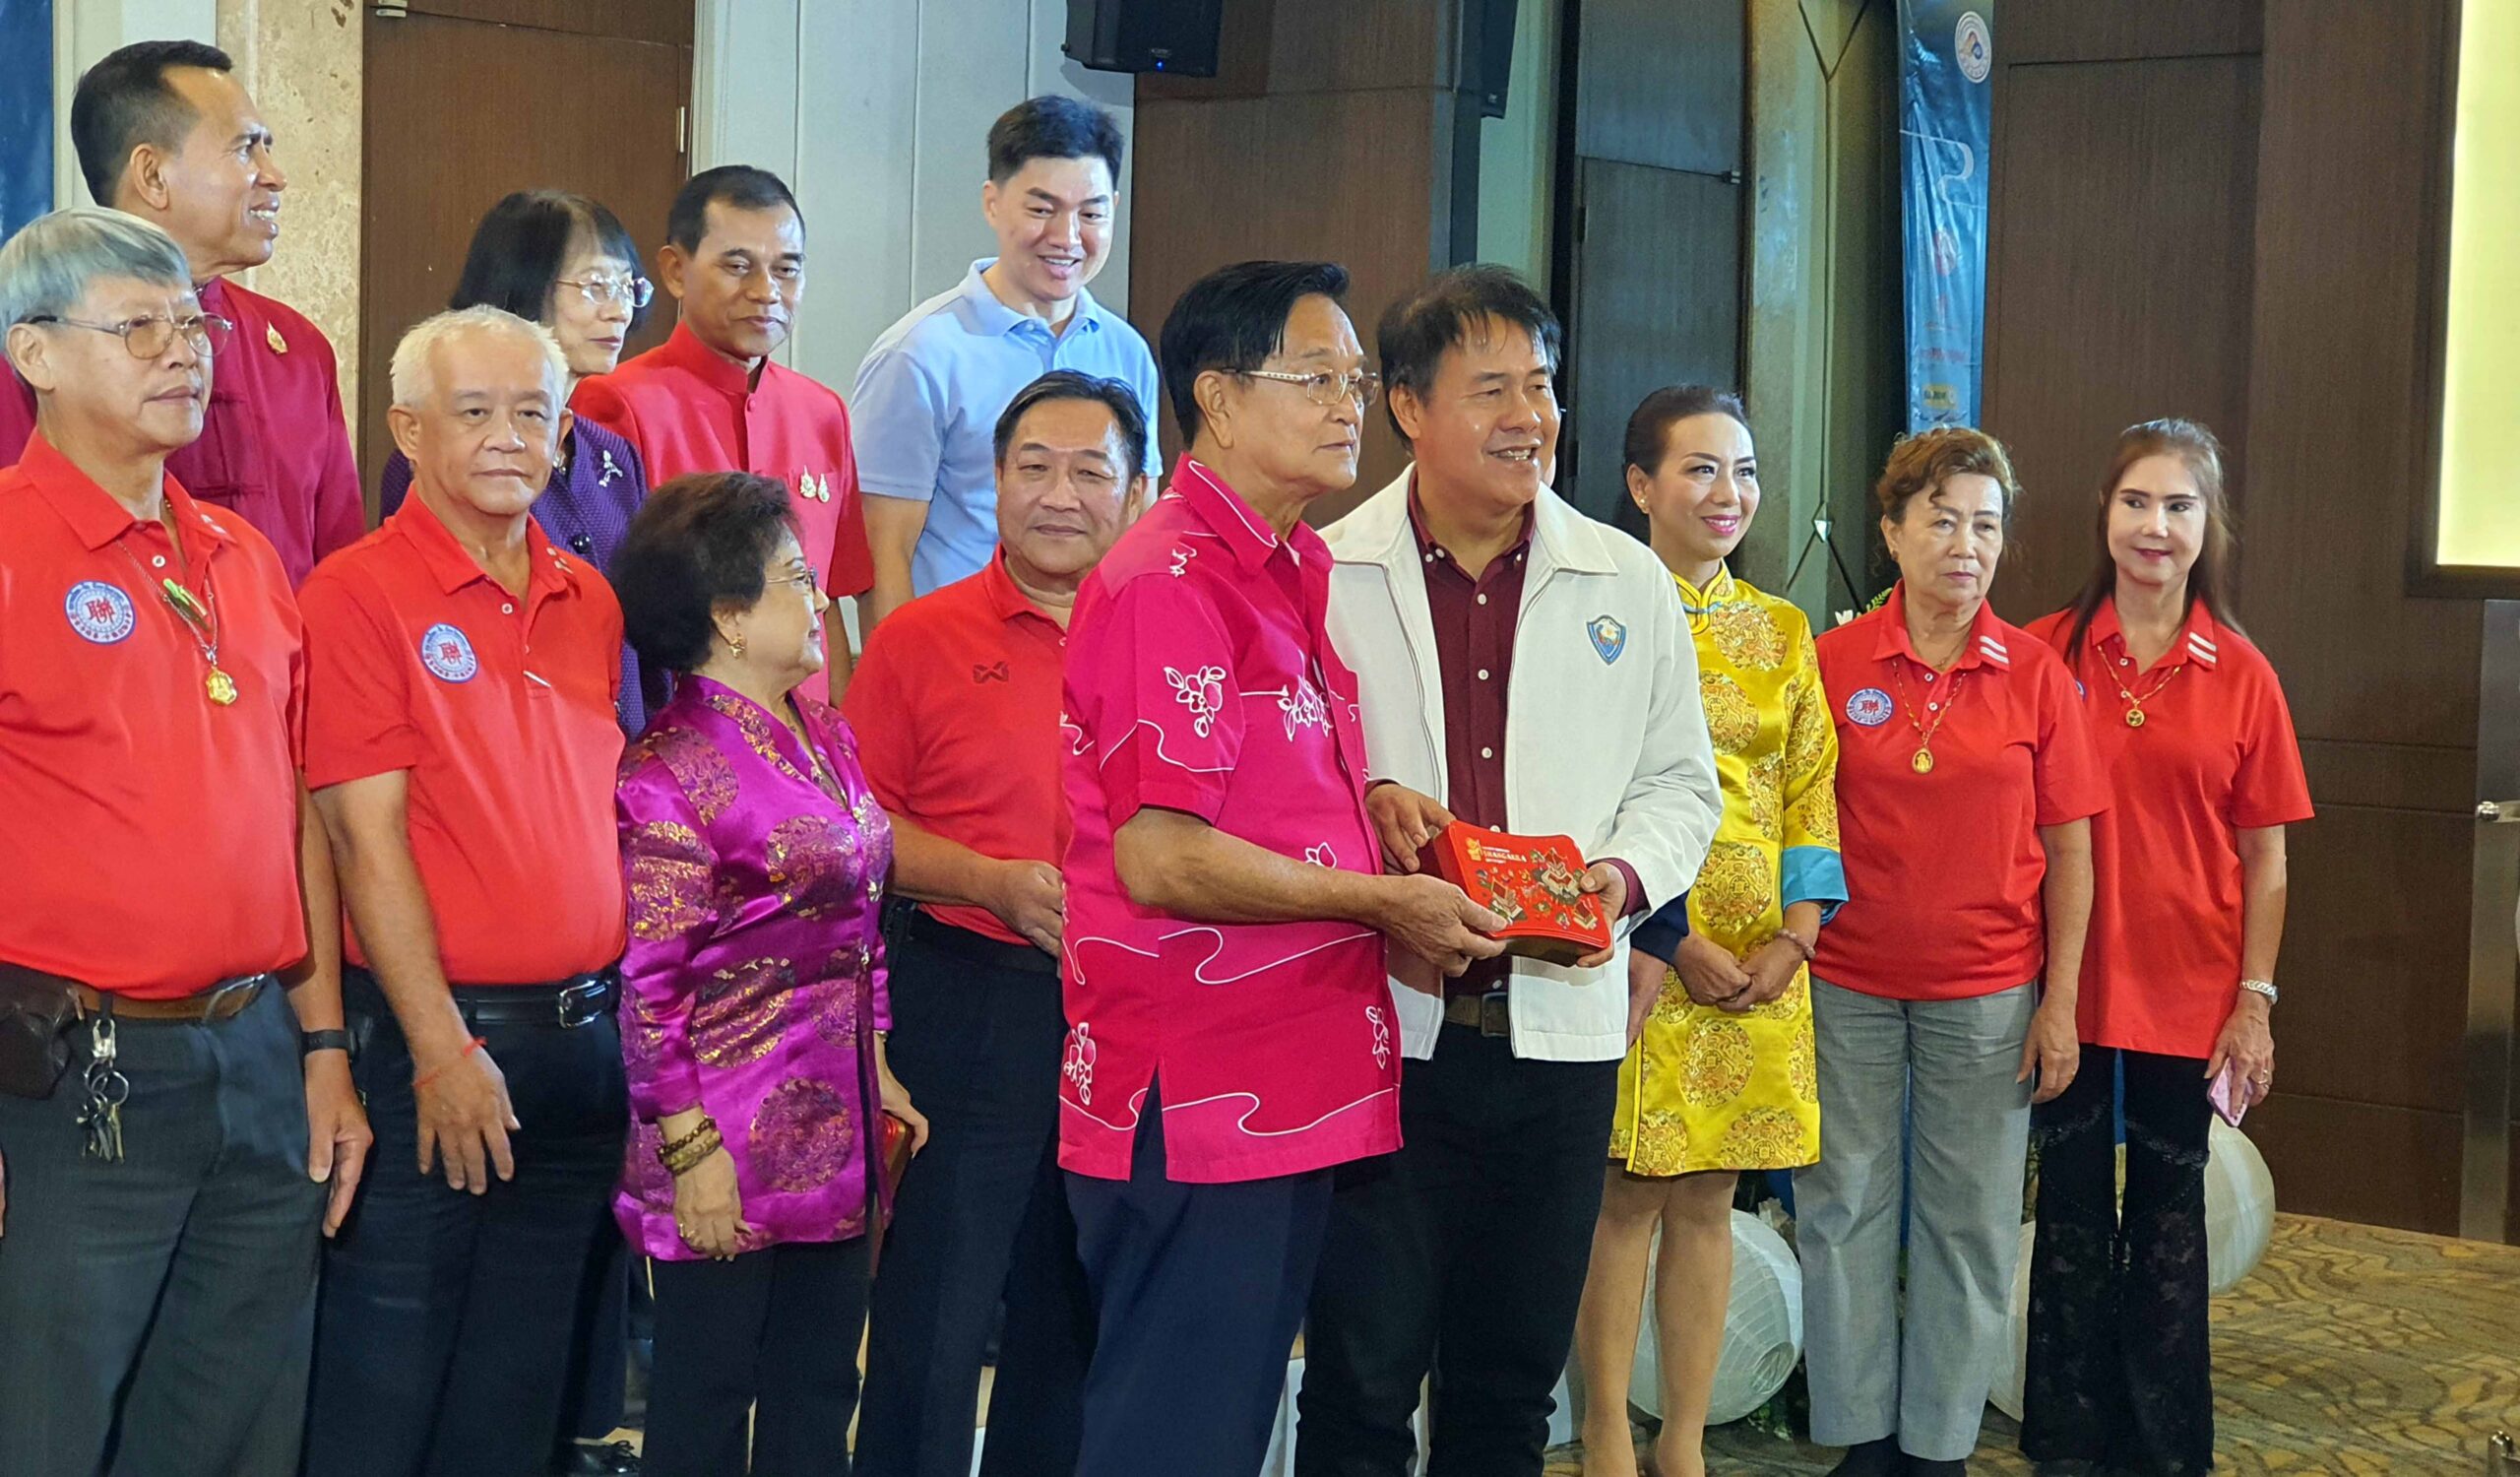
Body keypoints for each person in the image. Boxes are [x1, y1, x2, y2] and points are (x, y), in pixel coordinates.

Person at [1057, 260, 1507, 1477]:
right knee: (1174, 1434)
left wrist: (1374, 806)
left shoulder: (1290, 566)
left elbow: (1252, 772)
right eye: (1315, 377)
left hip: (1289, 1074)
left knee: (1223, 1417)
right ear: (1215, 395)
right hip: (1198, 1086)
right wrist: (1380, 900)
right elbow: (1158, 854)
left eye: (1353, 379)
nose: (1347, 402)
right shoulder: (1171, 581)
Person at [1296, 270, 1725, 1477]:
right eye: (1489, 389)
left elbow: (1682, 785)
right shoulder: (1325, 574)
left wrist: (1624, 877)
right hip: (1385, 1040)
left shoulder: (1625, 580)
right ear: (1407, 408)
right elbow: (1275, 788)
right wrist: (1364, 807)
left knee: (1506, 1392)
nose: (1526, 415)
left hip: (1559, 1045)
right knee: (1364, 1380)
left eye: (1539, 386)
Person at [0, 204, 367, 1477]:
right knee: (44, 1423)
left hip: (260, 1053)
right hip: (69, 1072)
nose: (184, 352)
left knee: (235, 1423)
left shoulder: (244, 557)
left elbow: (292, 820)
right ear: (34, 355)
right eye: (138, 327)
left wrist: (323, 1042)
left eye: (192, 323)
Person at [300, 308, 631, 1477]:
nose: (508, 438)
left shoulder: (589, 596)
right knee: (387, 1388)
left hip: (586, 1045)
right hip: (437, 1048)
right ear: (406, 429)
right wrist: (440, 1048)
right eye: (474, 411)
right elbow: (362, 840)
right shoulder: (355, 593)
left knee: (520, 1393)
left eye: (533, 412)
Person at [847, 370, 1152, 1477]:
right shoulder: (920, 639)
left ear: (1139, 489)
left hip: (1127, 1014)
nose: (1058, 495)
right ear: (993, 482)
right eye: (1033, 468)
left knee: (1071, 1314)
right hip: (967, 1003)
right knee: (933, 1313)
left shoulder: (1171, 642)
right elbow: (852, 829)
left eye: (1088, 470)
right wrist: (987, 879)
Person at [606, 470, 925, 1477]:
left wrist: (876, 1064)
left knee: (820, 1389)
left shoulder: (821, 729)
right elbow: (648, 987)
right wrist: (691, 1150)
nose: (821, 594)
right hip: (723, 1138)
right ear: (730, 618)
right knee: (704, 1404)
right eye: (796, 576)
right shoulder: (665, 769)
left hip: (837, 1127)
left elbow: (863, 913)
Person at [1799, 426, 2105, 1477]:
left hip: (1988, 994)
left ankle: (1936, 1446)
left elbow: (2072, 853)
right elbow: (1798, 823)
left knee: (1967, 1226)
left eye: (1985, 524)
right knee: (1842, 1211)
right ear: (1890, 530)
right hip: (1847, 986)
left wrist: (2058, 1003)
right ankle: (1858, 1437)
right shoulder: (1832, 662)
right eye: (1940, 520)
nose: (1964, 545)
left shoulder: (2036, 676)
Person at [2018, 419, 2309, 1477]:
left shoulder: (2242, 673)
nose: (2154, 526)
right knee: (2070, 1229)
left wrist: (2255, 998)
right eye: (2135, 502)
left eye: (2177, 507)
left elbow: (2265, 864)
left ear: (2207, 527)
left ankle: (2159, 1452)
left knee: (2169, 1233)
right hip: (2064, 992)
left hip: (2190, 996)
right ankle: (2067, 1445)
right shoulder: (2041, 652)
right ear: (2103, 517)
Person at [1569, 386, 1846, 1477]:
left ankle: (1682, 1441)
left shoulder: (1780, 630)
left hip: (1763, 971)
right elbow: (1594, 792)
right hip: (1643, 952)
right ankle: (1602, 1431)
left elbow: (1810, 796)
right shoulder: (1600, 616)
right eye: (1699, 469)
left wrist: (1796, 939)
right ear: (1640, 485)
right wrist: (1668, 935)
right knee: (1626, 1198)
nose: (1728, 493)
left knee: (1710, 1201)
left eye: (1743, 471)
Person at [0, 41, 361, 586]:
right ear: (151, 176)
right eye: (247, 149)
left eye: (268, 147)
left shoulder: (296, 346)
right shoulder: (44, 343)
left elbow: (341, 574)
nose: (274, 175)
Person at [852, 96, 1162, 631]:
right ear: (992, 203)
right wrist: (903, 681)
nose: (1067, 238)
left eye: (1091, 213)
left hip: (1094, 657)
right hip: (962, 661)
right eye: (1042, 209)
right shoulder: (921, 353)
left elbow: (1140, 525)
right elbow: (883, 556)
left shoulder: (1126, 350)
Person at [573, 165, 869, 695]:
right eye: (738, 266)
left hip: (800, 742)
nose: (766, 292)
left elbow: (831, 606)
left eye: (787, 270)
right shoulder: (617, 404)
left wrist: (833, 745)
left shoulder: (823, 412)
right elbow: (608, 610)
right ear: (675, 271)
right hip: (677, 734)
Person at [380, 189, 662, 738]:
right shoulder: (438, 455)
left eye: (627, 286)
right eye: (596, 286)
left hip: (620, 753)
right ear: (523, 284)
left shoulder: (613, 454)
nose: (619, 309)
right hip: (502, 747)